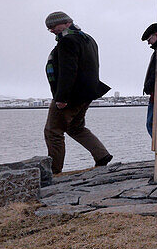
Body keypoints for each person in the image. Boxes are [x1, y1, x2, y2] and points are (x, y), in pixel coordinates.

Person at [43, 11, 113, 173]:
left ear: (67, 22)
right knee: (76, 127)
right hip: (88, 93)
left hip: (70, 96)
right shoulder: (87, 38)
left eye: (53, 26)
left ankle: (54, 172)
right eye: (49, 28)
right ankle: (102, 155)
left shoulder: (67, 41)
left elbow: (69, 71)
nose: (52, 30)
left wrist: (61, 98)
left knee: (53, 132)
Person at [141, 22, 157, 137]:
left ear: (156, 34)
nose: (148, 42)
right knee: (152, 124)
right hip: (155, 93)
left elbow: (156, 72)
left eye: (149, 38)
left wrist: (148, 86)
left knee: (151, 124)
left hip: (156, 94)